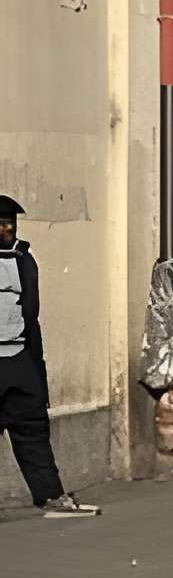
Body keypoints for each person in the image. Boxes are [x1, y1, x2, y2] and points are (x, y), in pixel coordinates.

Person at [0, 194, 100, 518]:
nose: (6, 230)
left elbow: (32, 315)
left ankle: (50, 496)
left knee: (32, 429)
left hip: (19, 358)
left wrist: (35, 367)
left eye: (10, 224)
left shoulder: (24, 261)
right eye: (0, 224)